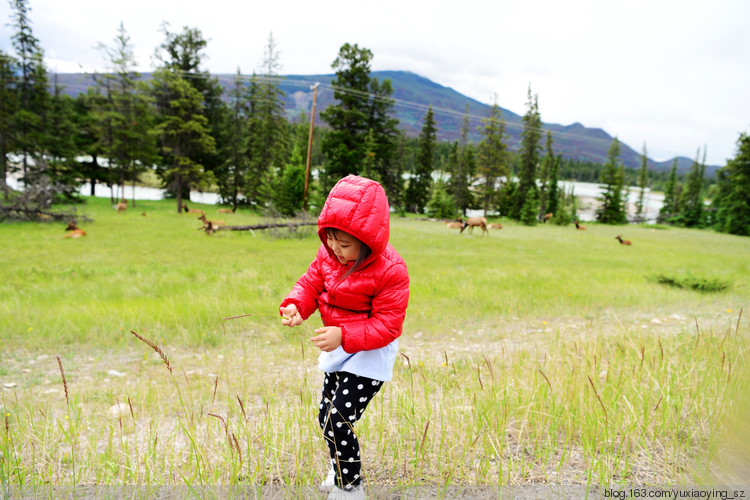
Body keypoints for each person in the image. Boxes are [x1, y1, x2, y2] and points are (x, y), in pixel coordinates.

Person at [279, 175, 409, 499]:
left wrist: (344, 334)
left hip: (370, 352)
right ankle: (341, 468)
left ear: (368, 241)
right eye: (331, 239)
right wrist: (297, 305)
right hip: (339, 346)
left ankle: (350, 487)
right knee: (326, 417)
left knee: (339, 417)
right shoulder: (329, 255)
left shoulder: (390, 270)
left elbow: (389, 325)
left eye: (345, 244)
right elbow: (311, 284)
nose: (335, 249)